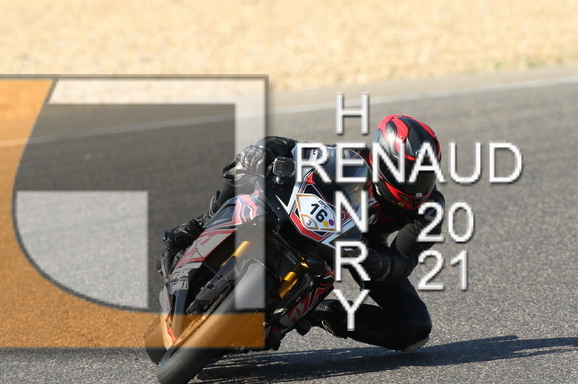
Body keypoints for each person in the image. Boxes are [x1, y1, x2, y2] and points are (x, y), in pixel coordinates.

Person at [157, 115, 444, 353]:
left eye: (425, 173)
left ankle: (317, 313)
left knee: (415, 328)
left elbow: (402, 262)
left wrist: (375, 261)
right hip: (322, 219)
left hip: (364, 248)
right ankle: (195, 230)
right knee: (250, 166)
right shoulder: (353, 158)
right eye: (408, 171)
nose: (417, 185)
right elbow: (292, 148)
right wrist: (264, 152)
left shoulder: (430, 209)